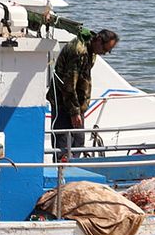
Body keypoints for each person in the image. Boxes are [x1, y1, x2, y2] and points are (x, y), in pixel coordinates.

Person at [48, 28, 119, 162]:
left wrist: (80, 108)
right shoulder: (78, 51)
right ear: (98, 40)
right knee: (63, 143)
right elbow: (69, 84)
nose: (105, 53)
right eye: (105, 49)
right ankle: (61, 172)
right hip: (63, 102)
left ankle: (73, 169)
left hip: (76, 103)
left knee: (78, 141)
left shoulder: (91, 50)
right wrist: (75, 112)